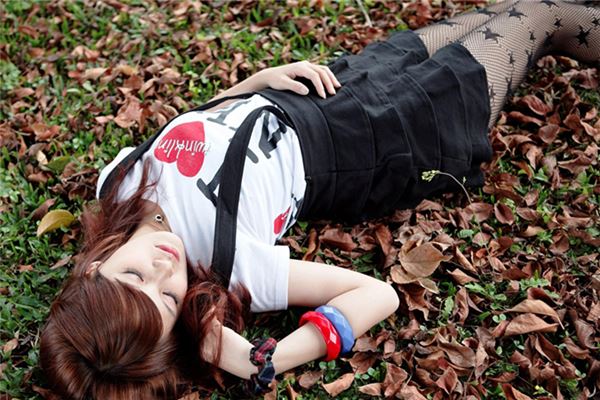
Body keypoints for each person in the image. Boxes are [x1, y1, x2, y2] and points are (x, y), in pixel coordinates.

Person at [39, 1, 600, 398]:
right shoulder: (233, 266)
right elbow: (377, 295)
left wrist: (257, 82)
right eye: (167, 299)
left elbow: (201, 125)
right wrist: (261, 360)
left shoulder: (118, 185)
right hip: (376, 138)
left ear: (93, 268)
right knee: (543, 18)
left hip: (327, 89)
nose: (165, 269)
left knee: (495, 16)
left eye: (134, 276)